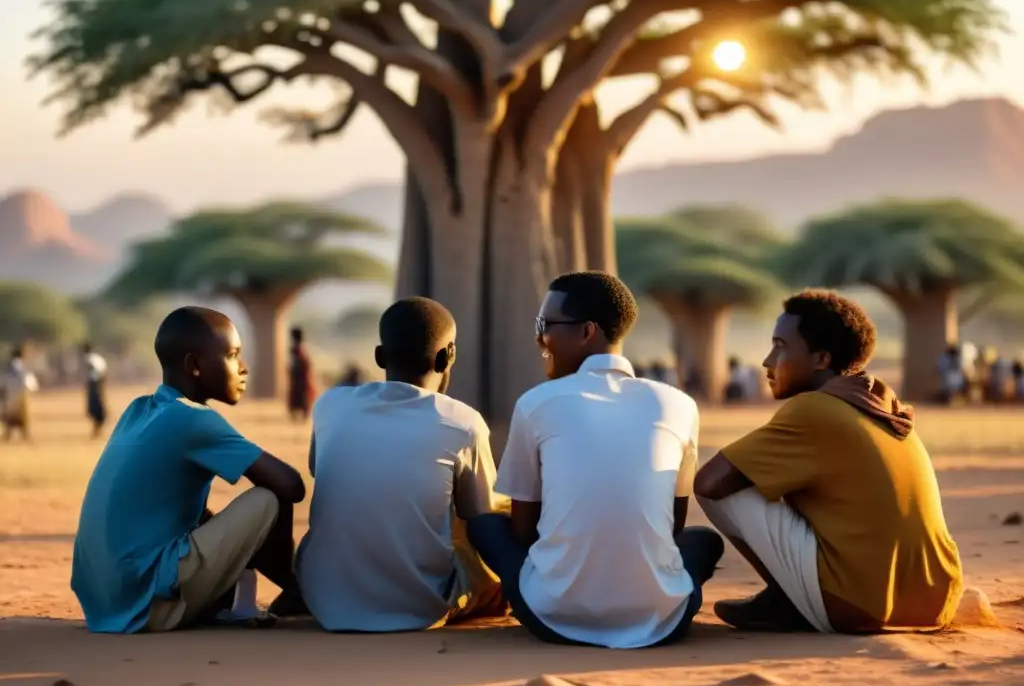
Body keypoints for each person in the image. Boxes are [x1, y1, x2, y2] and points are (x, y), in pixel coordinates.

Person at [468, 271, 723, 648]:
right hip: (663, 619)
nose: (540, 337)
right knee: (703, 542)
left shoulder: (537, 403)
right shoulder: (679, 404)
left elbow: (523, 531)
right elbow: (675, 525)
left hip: (551, 617)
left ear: (587, 332)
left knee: (487, 527)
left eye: (545, 325)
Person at [695, 290, 962, 633]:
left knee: (724, 486)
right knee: (759, 474)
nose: (767, 360)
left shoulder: (815, 410)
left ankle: (784, 601)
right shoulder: (883, 406)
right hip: (938, 602)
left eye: (780, 346)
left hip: (859, 606)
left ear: (821, 359)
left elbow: (710, 482)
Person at [71, 307, 307, 633]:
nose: (243, 368)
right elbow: (292, 486)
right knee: (269, 498)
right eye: (232, 355)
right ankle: (299, 592)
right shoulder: (194, 419)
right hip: (145, 605)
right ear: (194, 366)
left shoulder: (137, 409)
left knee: (208, 518)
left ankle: (282, 592)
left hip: (104, 601)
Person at [296, 297, 505, 632]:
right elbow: (479, 515)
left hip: (322, 600)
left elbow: (319, 469)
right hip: (419, 606)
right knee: (492, 509)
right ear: (447, 356)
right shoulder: (463, 421)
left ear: (379, 356)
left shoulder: (330, 405)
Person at [1, 347, 39, 442]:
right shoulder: (24, 370)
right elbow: (33, 386)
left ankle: (8, 434)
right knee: (22, 418)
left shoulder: (6, 370)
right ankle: (24, 435)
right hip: (21, 400)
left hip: (9, 399)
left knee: (9, 417)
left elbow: (2, 385)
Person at [287, 326, 316, 422]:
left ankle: (302, 415)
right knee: (301, 396)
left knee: (301, 396)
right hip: (301, 376)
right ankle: (301, 415)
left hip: (300, 377)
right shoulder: (302, 348)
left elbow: (300, 364)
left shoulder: (297, 349)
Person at [82, 342, 109, 439]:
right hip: (99, 383)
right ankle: (96, 430)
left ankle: (97, 430)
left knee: (94, 406)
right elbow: (103, 371)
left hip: (94, 383)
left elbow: (94, 371)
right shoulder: (97, 358)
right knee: (98, 405)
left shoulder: (89, 359)